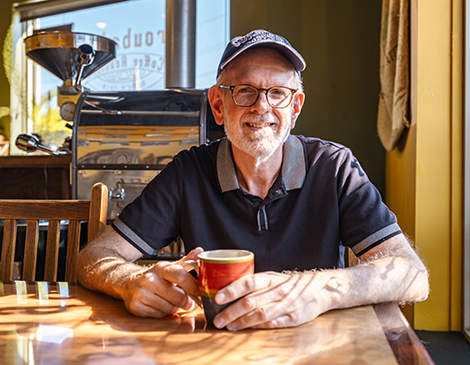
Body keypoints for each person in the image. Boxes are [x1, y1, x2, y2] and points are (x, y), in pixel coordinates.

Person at [77, 29, 429, 331]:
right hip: (214, 348)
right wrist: (130, 281)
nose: (262, 106)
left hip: (317, 349)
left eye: (278, 93)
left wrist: (318, 290)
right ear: (218, 105)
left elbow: (412, 275)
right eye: (244, 90)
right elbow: (93, 257)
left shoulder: (334, 167)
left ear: (295, 108)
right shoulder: (188, 171)